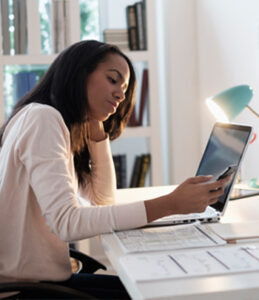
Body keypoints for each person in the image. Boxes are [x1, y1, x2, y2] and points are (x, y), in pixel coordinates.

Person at [0, 40, 229, 299]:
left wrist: (97, 135)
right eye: (112, 80)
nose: (121, 95)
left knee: (149, 289)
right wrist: (171, 204)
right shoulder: (43, 119)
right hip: (26, 291)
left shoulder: (46, 119)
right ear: (78, 74)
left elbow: (102, 200)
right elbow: (66, 223)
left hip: (42, 282)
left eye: (124, 88)